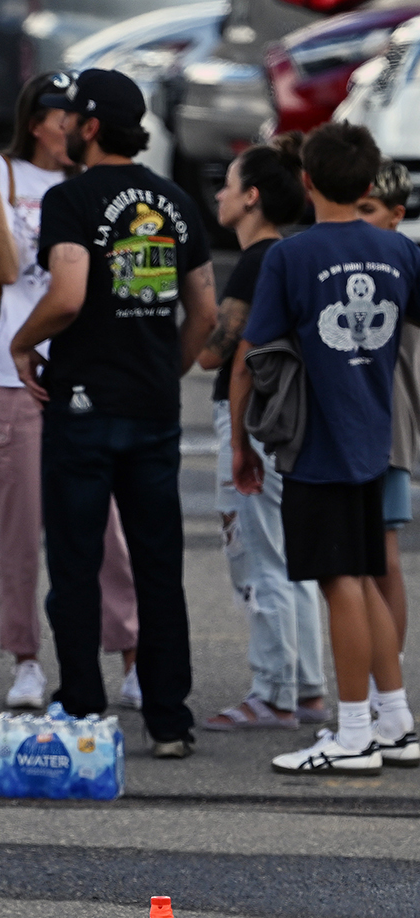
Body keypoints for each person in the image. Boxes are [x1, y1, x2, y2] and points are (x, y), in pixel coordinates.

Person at [9, 68, 216, 758]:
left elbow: (68, 293)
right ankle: (169, 719)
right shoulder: (178, 201)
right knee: (158, 565)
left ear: (93, 127)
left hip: (82, 407)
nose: (64, 125)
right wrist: (166, 370)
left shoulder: (72, 200)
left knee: (76, 563)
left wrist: (22, 340)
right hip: (153, 408)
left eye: (72, 117)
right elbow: (206, 311)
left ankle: (85, 707)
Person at [236, 122, 419, 774]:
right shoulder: (401, 251)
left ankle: (352, 733)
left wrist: (239, 441)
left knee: (338, 579)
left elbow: (252, 354)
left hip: (316, 439)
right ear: (370, 184)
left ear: (307, 181)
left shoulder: (289, 257)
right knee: (365, 572)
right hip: (373, 435)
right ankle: (393, 716)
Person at [0, 73, 141, 712]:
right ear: (39, 121)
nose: (77, 126)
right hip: (13, 379)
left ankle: (130, 653)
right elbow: (7, 270)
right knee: (17, 531)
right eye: (66, 114)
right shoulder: (0, 178)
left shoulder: (92, 185)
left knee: (109, 528)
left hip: (82, 374)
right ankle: (27, 660)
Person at [196, 134, 327, 732]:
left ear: (251, 197)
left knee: (257, 560)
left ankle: (272, 694)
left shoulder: (255, 261)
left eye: (228, 183)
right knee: (288, 555)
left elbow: (217, 353)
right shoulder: (293, 254)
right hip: (288, 421)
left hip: (249, 419)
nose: (219, 194)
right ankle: (306, 688)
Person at [354, 158, 420, 671]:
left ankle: (387, 680)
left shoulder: (401, 261)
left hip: (390, 421)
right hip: (360, 422)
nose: (358, 218)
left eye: (368, 209)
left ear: (397, 214)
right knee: (362, 559)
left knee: (383, 556)